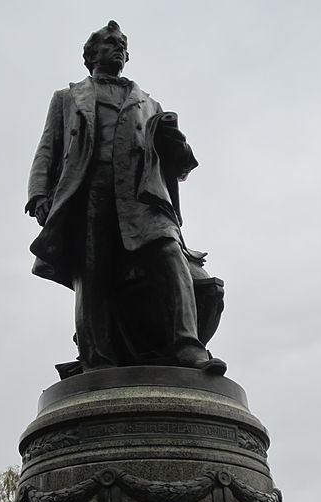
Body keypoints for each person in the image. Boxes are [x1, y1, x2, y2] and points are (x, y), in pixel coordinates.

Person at [26, 20, 226, 375]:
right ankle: (98, 360)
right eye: (110, 43)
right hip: (90, 190)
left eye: (122, 44)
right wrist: (39, 193)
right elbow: (49, 147)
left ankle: (188, 347)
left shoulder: (149, 103)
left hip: (142, 194)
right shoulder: (67, 98)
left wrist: (176, 144)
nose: (118, 48)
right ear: (91, 55)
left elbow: (178, 165)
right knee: (93, 273)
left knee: (169, 255)